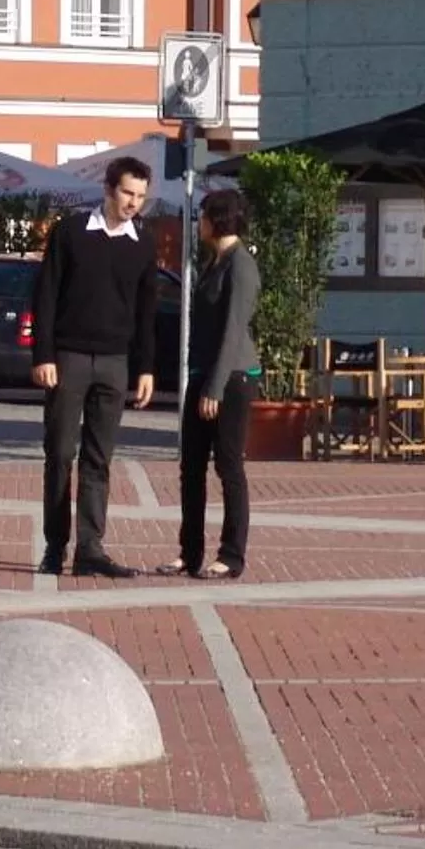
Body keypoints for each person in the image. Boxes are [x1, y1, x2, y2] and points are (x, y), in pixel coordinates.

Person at [30, 156, 157, 578]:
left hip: (115, 362)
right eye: (127, 193)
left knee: (99, 458)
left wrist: (145, 367)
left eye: (140, 196)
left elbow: (146, 310)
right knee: (60, 453)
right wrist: (43, 355)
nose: (133, 203)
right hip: (69, 358)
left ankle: (90, 549)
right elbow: (46, 294)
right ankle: (55, 546)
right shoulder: (70, 232)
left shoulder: (143, 242)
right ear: (108, 189)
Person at [165, 188, 259, 579]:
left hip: (231, 378)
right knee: (191, 467)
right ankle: (189, 552)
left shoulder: (241, 265)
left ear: (217, 220)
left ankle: (232, 555)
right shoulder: (214, 261)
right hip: (203, 373)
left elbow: (233, 331)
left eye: (202, 216)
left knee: (228, 465)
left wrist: (215, 388)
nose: (198, 222)